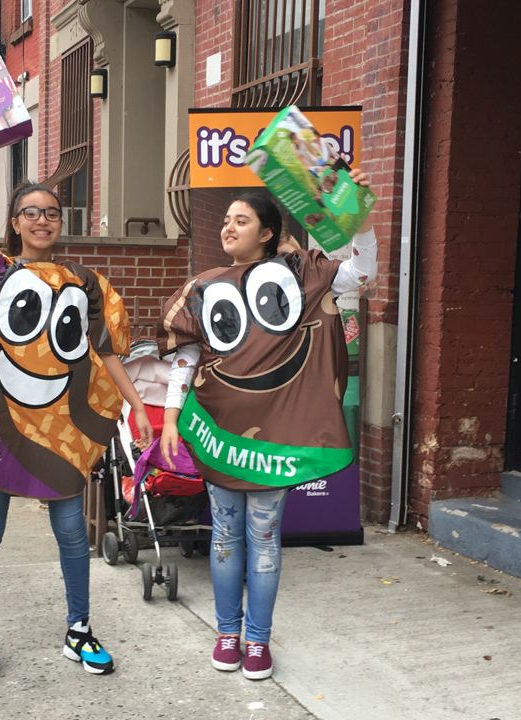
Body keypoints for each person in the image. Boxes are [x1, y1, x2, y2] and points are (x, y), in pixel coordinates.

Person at [0, 125, 152, 685]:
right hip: (1, 430)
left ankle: (79, 629)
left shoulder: (86, 283)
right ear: (14, 222)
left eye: (51, 211)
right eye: (31, 211)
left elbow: (106, 351)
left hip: (61, 433)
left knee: (72, 532)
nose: (42, 220)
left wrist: (138, 406)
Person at [159, 175, 378, 681]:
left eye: (242, 220)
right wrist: (170, 416)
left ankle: (257, 641)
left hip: (274, 439)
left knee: (263, 537)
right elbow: (186, 355)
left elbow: (363, 272)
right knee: (224, 536)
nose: (229, 228)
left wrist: (361, 220)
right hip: (218, 432)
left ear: (267, 232)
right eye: (227, 220)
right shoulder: (204, 285)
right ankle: (227, 634)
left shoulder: (301, 275)